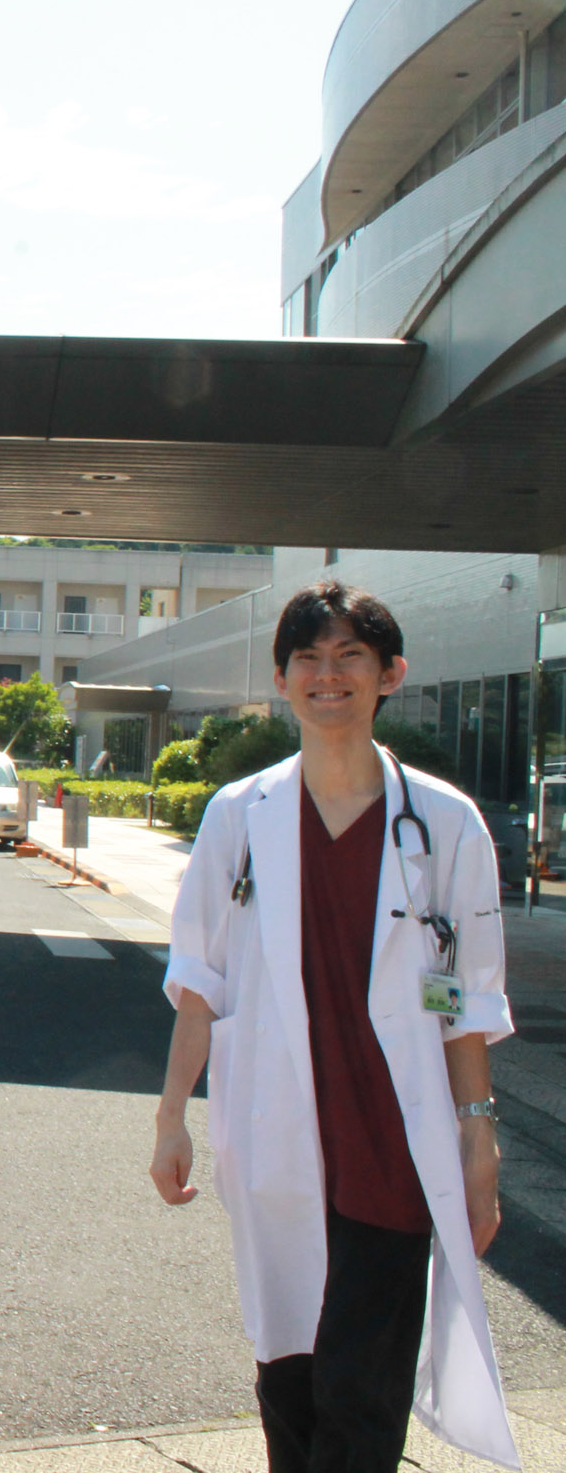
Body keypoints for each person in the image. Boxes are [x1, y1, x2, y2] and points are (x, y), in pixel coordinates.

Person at [151, 581, 517, 1472]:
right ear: (281, 679)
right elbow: (200, 981)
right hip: (275, 1130)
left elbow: (465, 1000)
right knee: (290, 1380)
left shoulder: (445, 823)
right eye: (308, 658)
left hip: (395, 1143)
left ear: (390, 673)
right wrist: (171, 1118)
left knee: (362, 1391)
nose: (328, 675)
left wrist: (478, 1138)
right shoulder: (238, 816)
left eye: (351, 655)